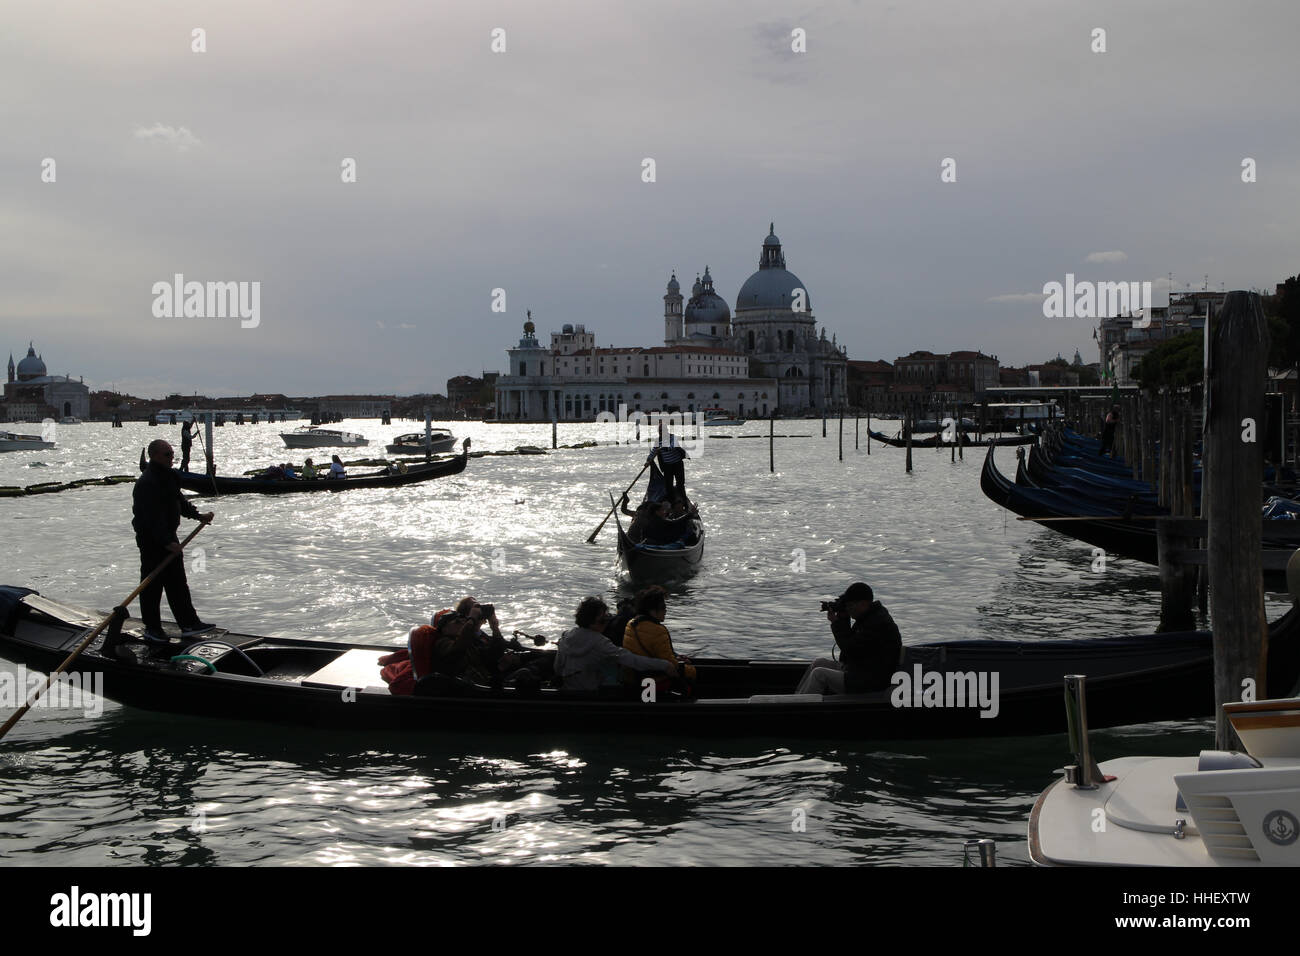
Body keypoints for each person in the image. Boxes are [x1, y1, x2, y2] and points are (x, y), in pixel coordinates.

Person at [129, 439, 216, 644]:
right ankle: (152, 628)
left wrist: (199, 516)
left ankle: (188, 623)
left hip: (169, 537)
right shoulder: (147, 482)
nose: (172, 458)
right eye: (167, 454)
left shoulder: (169, 477)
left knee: (178, 583)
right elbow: (148, 518)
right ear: (155, 456)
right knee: (152, 586)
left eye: (172, 453)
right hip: (151, 540)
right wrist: (166, 542)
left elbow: (179, 502)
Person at [795, 583, 901, 695]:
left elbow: (849, 650)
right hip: (860, 670)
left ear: (863, 604)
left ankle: (798, 708)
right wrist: (843, 619)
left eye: (850, 606)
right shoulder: (867, 617)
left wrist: (836, 623)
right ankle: (796, 699)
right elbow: (848, 652)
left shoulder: (877, 622)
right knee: (818, 663)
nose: (848, 610)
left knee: (819, 674)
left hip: (872, 681)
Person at [556, 597, 676, 693]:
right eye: (603, 619)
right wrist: (664, 665)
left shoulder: (566, 636)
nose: (606, 622)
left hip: (569, 690)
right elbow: (630, 659)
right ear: (593, 621)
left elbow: (557, 668)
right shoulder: (600, 642)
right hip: (591, 693)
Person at [623, 586, 696, 694]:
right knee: (691, 672)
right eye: (662, 607)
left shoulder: (631, 624)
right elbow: (672, 665)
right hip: (653, 682)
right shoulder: (658, 631)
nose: (665, 610)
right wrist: (690, 669)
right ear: (652, 610)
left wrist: (676, 657)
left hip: (633, 680)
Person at [649, 427, 689, 500]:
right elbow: (653, 452)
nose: (661, 432)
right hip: (667, 466)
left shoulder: (673, 437)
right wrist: (648, 461)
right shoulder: (657, 441)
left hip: (677, 464)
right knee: (668, 486)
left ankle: (684, 502)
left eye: (663, 431)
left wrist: (661, 448)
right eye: (660, 431)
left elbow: (672, 446)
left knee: (680, 484)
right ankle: (672, 501)